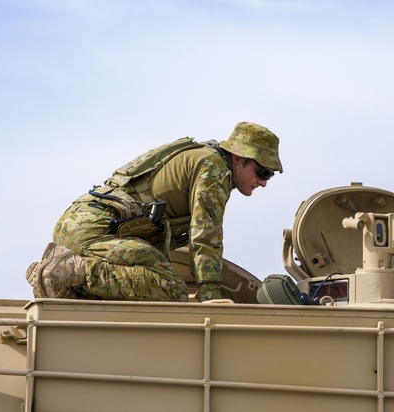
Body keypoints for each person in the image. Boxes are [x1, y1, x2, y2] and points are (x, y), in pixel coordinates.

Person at [26, 121, 282, 302]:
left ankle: (69, 281)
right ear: (238, 158)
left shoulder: (201, 157)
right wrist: (210, 296)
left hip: (79, 223)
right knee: (172, 289)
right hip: (96, 229)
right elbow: (205, 235)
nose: (263, 182)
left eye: (269, 175)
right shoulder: (214, 168)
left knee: (143, 285)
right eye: (261, 172)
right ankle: (71, 271)